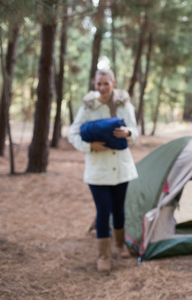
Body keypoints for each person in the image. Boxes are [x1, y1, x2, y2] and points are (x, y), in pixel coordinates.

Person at [68, 69, 138, 273]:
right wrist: (90, 147)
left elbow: (135, 130)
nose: (102, 88)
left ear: (113, 83)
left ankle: (119, 245)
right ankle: (103, 255)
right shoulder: (88, 107)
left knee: (119, 209)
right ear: (95, 85)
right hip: (98, 169)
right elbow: (73, 133)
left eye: (106, 83)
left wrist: (128, 133)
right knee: (103, 211)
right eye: (98, 84)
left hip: (121, 167)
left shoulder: (125, 105)